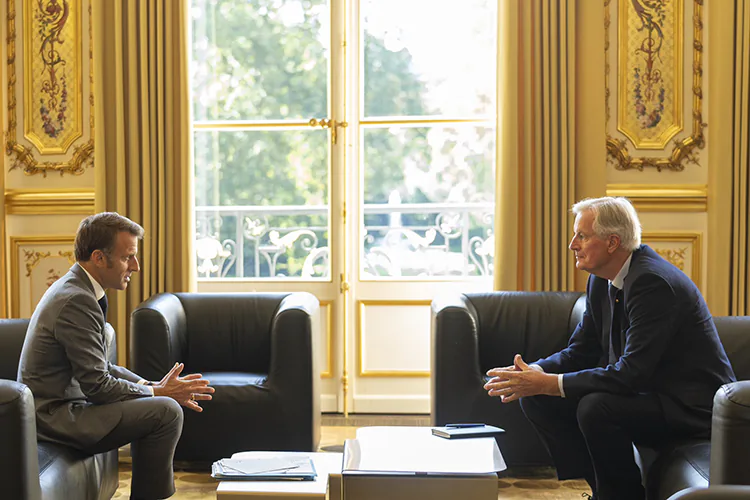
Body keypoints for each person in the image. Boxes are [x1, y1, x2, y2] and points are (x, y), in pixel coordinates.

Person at [483, 197, 736, 500]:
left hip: (690, 408)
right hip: (651, 396)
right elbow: (581, 350)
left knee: (597, 407)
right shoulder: (601, 281)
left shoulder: (652, 283)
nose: (572, 244)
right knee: (536, 398)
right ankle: (600, 488)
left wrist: (551, 384)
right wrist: (535, 372)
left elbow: (632, 374)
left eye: (582, 236)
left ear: (613, 242)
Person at [18, 212, 215, 500]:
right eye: (128, 257)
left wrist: (151, 385)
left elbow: (103, 367)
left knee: (160, 403)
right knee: (166, 411)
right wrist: (155, 391)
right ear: (98, 257)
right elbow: (98, 386)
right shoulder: (77, 299)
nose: (136, 266)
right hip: (55, 418)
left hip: (65, 408)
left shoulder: (83, 289)